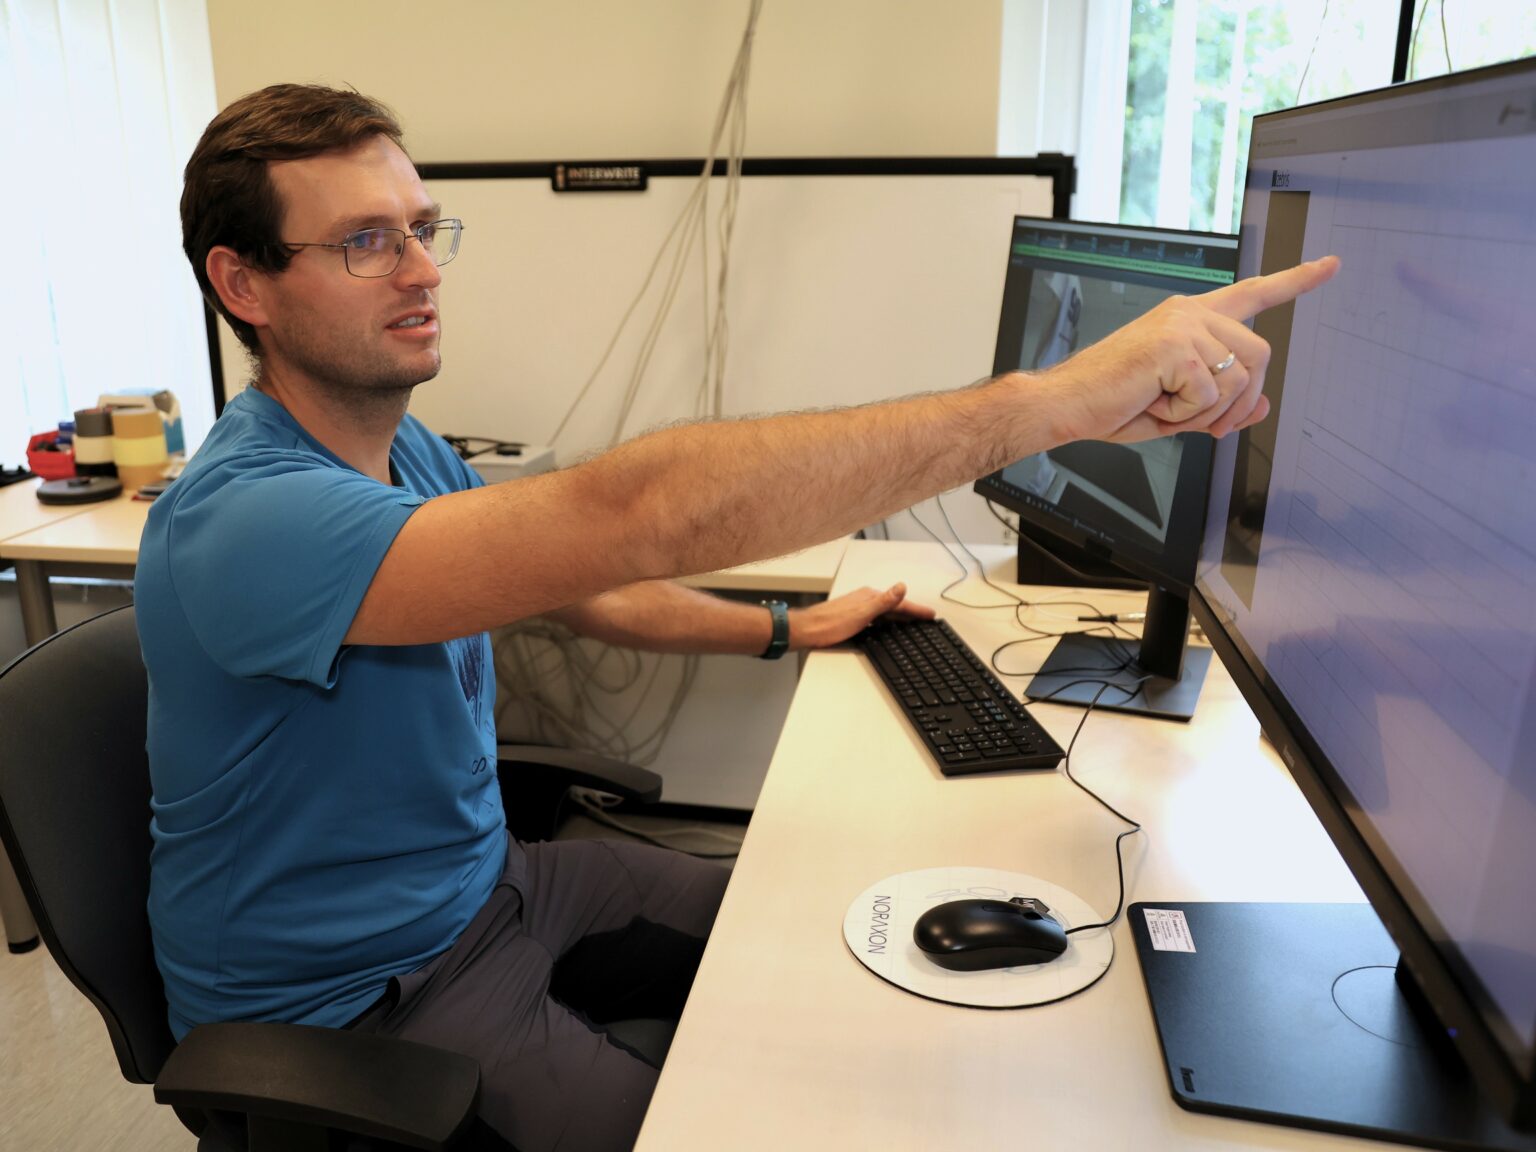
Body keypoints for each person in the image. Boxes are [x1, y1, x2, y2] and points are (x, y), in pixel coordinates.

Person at [139, 83, 1336, 1152]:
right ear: (243, 282)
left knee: (820, 931)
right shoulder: (250, 520)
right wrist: (1052, 403)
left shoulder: (399, 453)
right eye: (362, 242)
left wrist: (781, 630)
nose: (420, 266)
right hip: (363, 995)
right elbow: (636, 516)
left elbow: (583, 587)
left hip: (493, 886)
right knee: (729, 1123)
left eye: (419, 226)